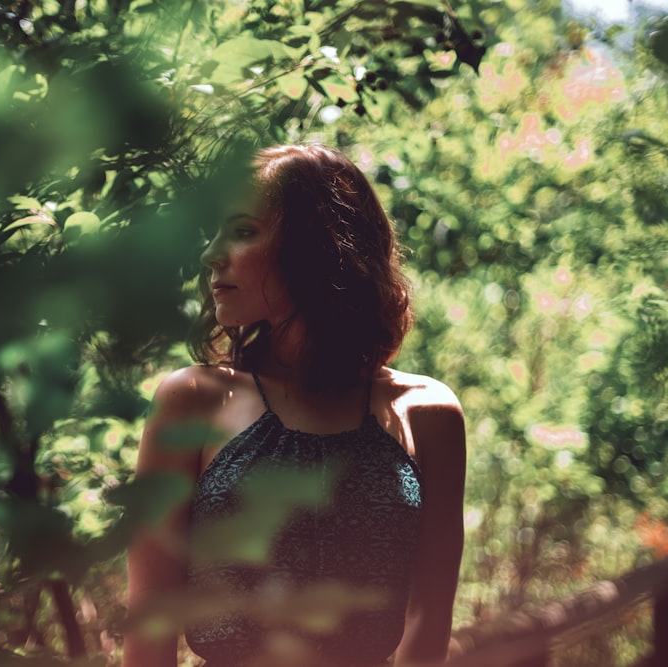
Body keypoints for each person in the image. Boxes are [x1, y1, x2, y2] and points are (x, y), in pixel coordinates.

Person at [124, 144, 466, 667]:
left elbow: (429, 616)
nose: (211, 254)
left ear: (314, 247)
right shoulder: (191, 401)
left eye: (241, 231)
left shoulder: (428, 412)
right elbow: (150, 628)